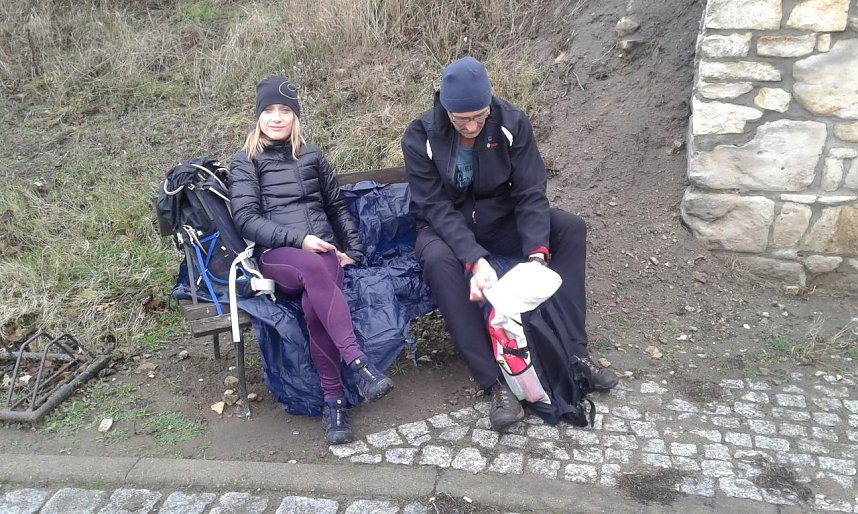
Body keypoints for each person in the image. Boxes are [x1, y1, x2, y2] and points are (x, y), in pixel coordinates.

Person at [401, 57, 618, 432]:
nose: (470, 126)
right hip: (444, 228)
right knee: (438, 261)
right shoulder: (420, 136)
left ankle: (575, 354)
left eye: (478, 117)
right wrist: (474, 259)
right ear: (445, 109)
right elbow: (434, 206)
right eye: (460, 120)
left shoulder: (511, 123)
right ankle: (494, 382)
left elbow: (532, 192)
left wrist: (536, 253)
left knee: (569, 229)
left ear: (490, 103)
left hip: (500, 219)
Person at [229, 76, 394, 445]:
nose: (276, 117)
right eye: (269, 110)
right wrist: (300, 239)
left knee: (313, 302)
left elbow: (336, 206)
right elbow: (247, 219)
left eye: (284, 110)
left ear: (295, 116)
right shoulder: (245, 162)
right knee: (310, 265)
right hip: (279, 255)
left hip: (325, 252)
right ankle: (359, 363)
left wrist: (353, 251)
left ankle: (334, 404)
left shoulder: (312, 155)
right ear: (258, 116)